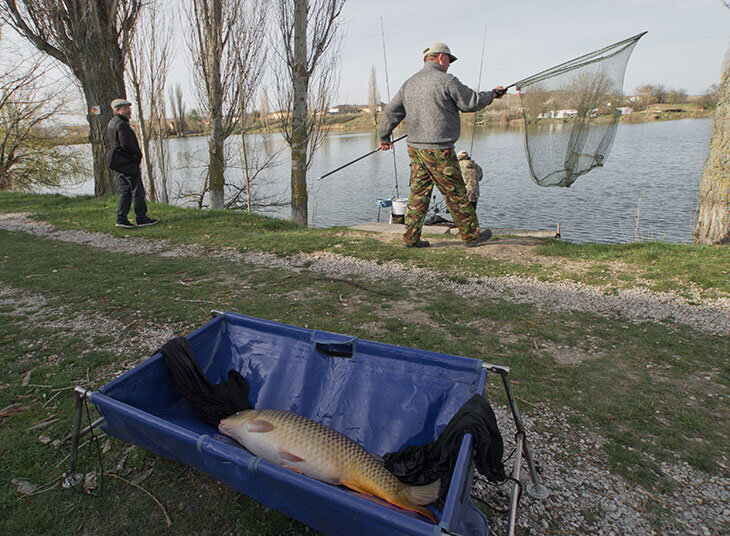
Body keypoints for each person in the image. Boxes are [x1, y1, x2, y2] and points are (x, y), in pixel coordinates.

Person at [378, 42, 505, 248]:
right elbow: (470, 102)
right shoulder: (446, 80)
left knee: (418, 194)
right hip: (440, 150)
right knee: (455, 193)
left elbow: (391, 111)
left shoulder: (409, 83)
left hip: (415, 149)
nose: (449, 65)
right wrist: (492, 94)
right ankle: (472, 237)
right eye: (449, 60)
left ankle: (411, 238)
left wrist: (384, 138)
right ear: (440, 58)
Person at [107, 98, 158, 229]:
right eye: (125, 108)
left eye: (129, 108)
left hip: (120, 163)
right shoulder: (122, 125)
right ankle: (141, 218)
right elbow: (127, 144)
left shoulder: (112, 123)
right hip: (128, 163)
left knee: (125, 191)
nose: (129, 111)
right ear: (117, 110)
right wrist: (137, 156)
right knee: (137, 191)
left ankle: (121, 218)